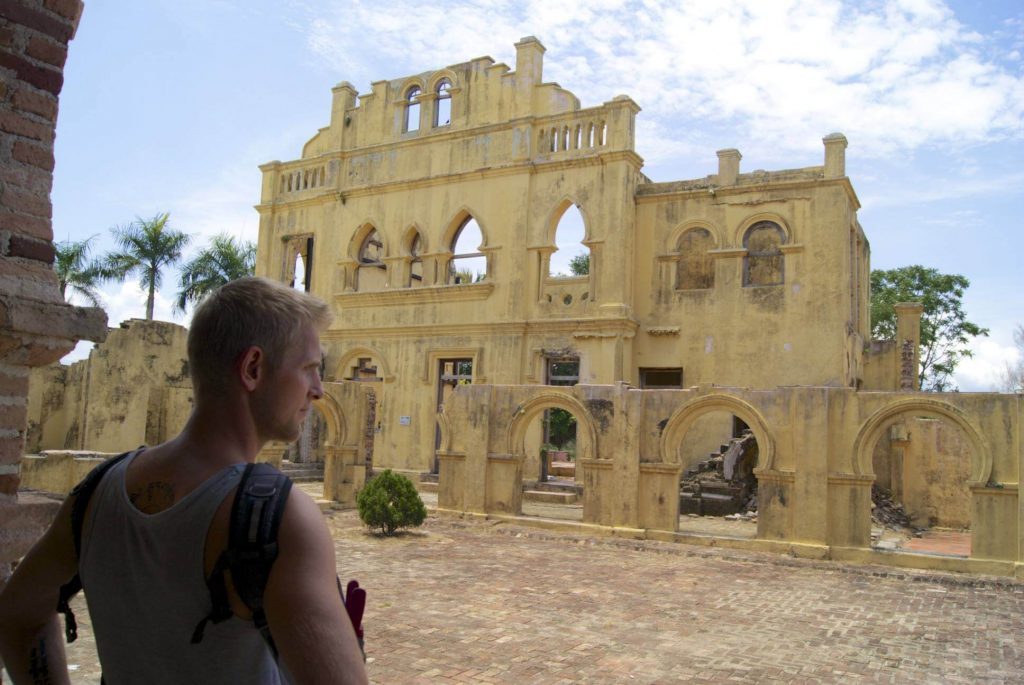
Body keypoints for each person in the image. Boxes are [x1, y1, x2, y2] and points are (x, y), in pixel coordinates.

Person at [0, 277, 369, 685]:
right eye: (309, 369)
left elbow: (18, 615)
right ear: (252, 368)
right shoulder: (279, 516)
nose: (318, 390)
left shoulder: (98, 492)